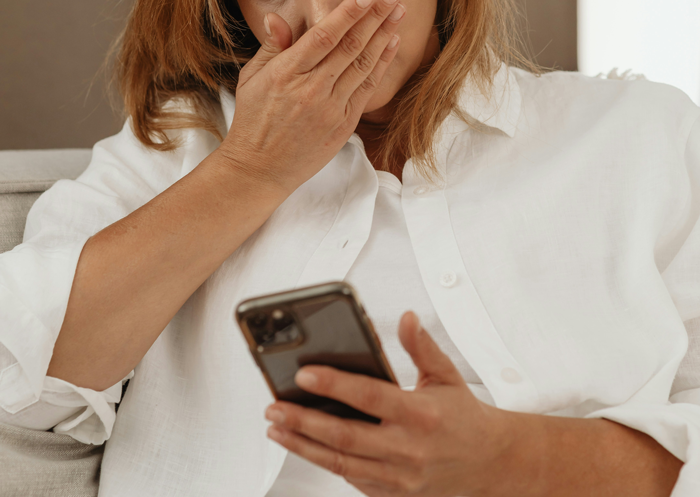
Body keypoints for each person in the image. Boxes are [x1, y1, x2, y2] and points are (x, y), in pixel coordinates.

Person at [0, 0, 698, 494]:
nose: (327, 17)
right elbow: (23, 377)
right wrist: (250, 172)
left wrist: (510, 460)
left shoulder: (642, 136)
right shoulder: (176, 149)